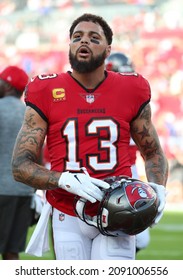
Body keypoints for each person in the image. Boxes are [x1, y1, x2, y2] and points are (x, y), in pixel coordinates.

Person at [11, 13, 168, 260]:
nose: (84, 41)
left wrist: (158, 187)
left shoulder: (131, 88)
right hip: (67, 209)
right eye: (77, 37)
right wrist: (63, 180)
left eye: (94, 38)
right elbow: (20, 166)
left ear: (108, 50)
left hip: (118, 206)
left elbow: (153, 153)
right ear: (70, 45)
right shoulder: (46, 89)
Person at [105, 51, 151, 253]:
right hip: (105, 172)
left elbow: (149, 149)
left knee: (137, 236)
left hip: (126, 171)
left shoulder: (135, 99)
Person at [0, 65, 34, 260]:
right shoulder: (29, 113)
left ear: (7, 85)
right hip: (23, 190)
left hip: (1, 189)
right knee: (12, 252)